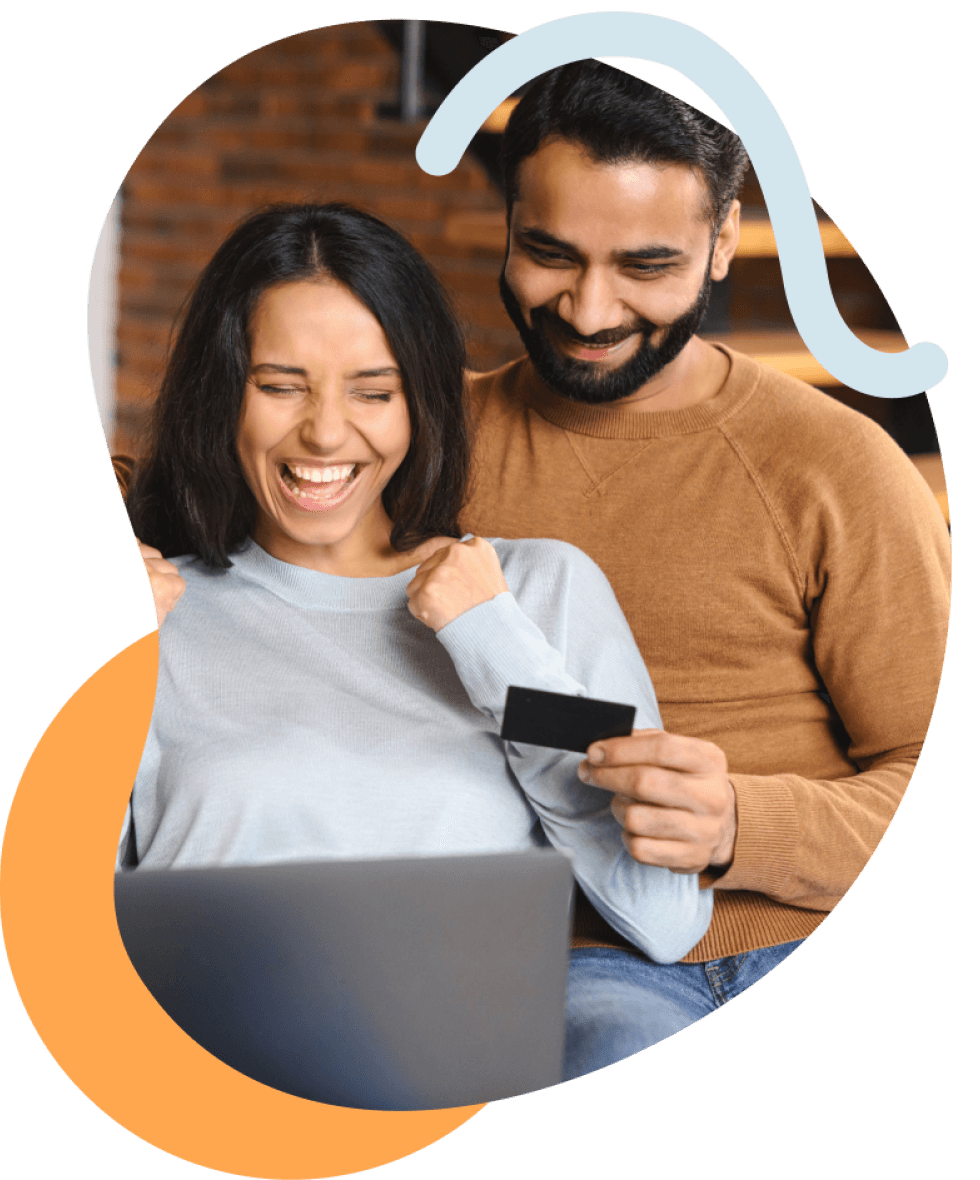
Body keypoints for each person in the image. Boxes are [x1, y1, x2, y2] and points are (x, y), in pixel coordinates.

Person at [120, 62, 951, 1063]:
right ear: (505, 225)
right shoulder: (417, 443)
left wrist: (739, 820)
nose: (589, 310)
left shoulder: (830, 469)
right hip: (561, 967)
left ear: (724, 240)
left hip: (783, 935)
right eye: (550, 253)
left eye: (644, 264)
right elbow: (232, 480)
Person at [118, 200, 715, 1085]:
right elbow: (49, 928)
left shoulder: (535, 596)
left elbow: (661, 918)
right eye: (281, 386)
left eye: (373, 391)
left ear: (422, 402)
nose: (325, 432)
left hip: (460, 1086)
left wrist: (491, 642)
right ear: (223, 392)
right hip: (200, 1083)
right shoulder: (153, 617)